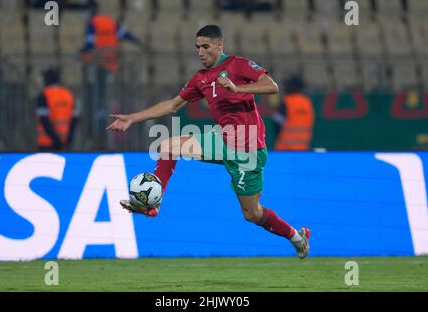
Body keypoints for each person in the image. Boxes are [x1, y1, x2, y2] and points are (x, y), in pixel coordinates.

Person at [106, 25, 311, 259]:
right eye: (197, 47)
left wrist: (237, 88)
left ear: (219, 45)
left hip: (248, 150)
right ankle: (155, 201)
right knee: (168, 146)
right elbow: (172, 105)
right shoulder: (200, 79)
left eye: (205, 46)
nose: (200, 52)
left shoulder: (238, 65)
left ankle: (296, 236)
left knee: (252, 214)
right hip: (222, 140)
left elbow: (271, 86)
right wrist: (132, 118)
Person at [36, 68, 78, 151]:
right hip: (65, 144)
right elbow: (74, 120)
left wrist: (56, 140)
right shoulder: (68, 95)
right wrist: (68, 140)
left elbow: (44, 121)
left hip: (46, 144)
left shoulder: (44, 95)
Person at [273, 76, 315, 151]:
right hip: (303, 147)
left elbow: (277, 123)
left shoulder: (286, 101)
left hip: (285, 148)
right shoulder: (307, 102)